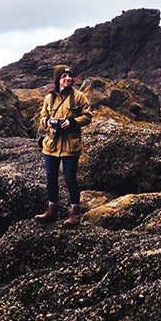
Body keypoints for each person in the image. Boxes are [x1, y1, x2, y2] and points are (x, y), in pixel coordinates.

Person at [35, 64, 92, 227]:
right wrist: (48, 121)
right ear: (58, 79)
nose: (67, 79)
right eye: (63, 76)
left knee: (70, 179)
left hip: (70, 146)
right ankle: (51, 210)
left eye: (69, 76)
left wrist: (72, 122)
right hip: (51, 145)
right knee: (50, 179)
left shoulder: (79, 96)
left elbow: (88, 116)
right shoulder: (49, 98)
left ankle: (75, 213)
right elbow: (42, 117)